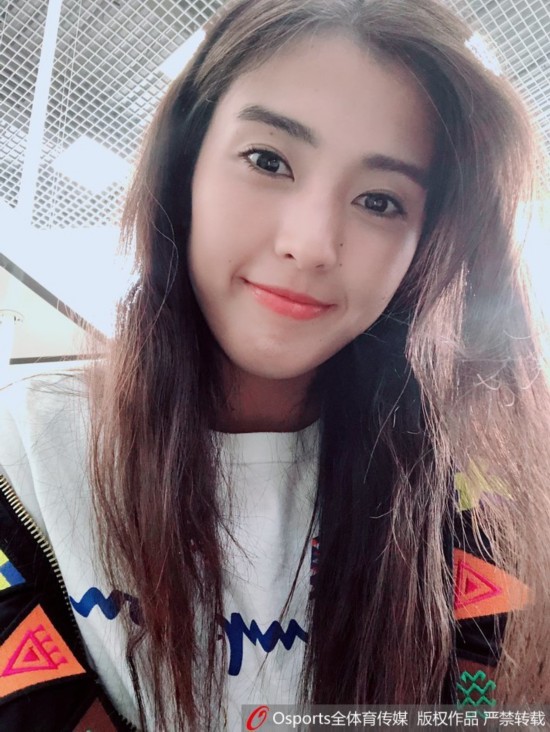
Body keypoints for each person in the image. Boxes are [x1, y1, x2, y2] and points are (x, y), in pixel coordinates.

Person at [1, 0, 549, 729]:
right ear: (185, 164)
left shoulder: (472, 494)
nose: (312, 244)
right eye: (268, 160)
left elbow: (473, 699)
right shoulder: (23, 457)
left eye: (380, 200)